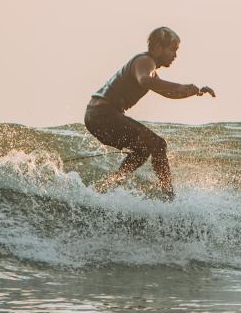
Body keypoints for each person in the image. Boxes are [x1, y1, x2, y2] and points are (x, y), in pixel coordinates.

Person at [85, 27, 214, 198]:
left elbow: (167, 92)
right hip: (103, 113)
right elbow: (144, 80)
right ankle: (169, 197)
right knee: (158, 144)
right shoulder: (145, 61)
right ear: (159, 47)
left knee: (144, 150)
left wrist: (193, 91)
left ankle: (105, 188)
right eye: (172, 50)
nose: (175, 56)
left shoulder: (150, 68)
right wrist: (182, 87)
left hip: (97, 115)